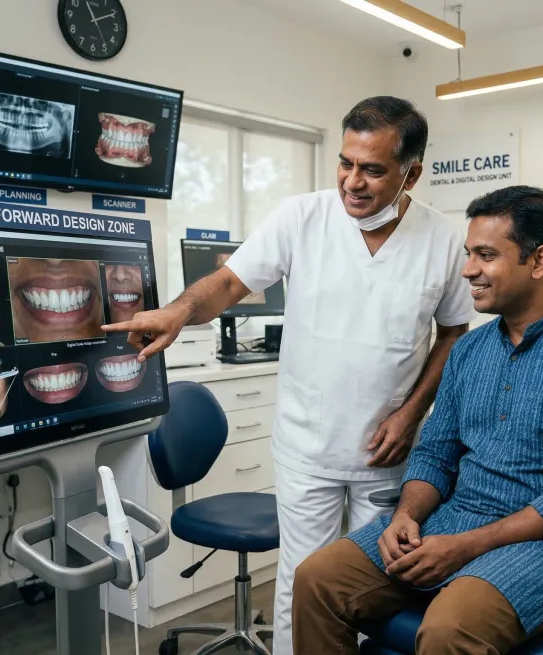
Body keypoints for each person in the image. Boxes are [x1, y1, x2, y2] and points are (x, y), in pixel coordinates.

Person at [103, 96, 476, 654]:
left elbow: (451, 333)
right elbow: (229, 283)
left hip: (390, 452)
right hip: (308, 446)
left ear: (411, 172)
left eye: (373, 169)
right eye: (346, 163)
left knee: (378, 584)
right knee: (303, 581)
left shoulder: (444, 239)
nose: (353, 181)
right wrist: (180, 310)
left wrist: (411, 412)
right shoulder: (302, 216)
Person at [291, 186, 543, 654]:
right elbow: (436, 451)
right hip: (456, 519)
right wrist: (406, 515)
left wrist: (467, 546)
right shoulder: (469, 351)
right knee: (317, 580)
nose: (468, 270)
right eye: (468, 253)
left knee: (450, 629)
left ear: (539, 261)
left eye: (486, 255)